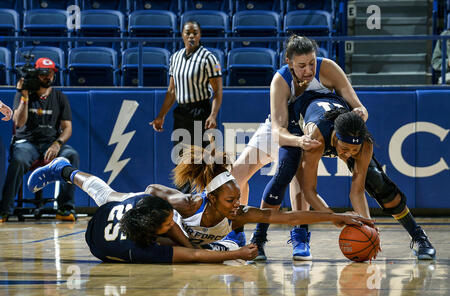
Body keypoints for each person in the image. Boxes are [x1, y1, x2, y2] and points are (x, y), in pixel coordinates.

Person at [234, 35, 368, 261]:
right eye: (302, 65)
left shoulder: (330, 69)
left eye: (312, 63)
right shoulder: (280, 80)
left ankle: (299, 236)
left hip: (311, 128)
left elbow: (359, 106)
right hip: (284, 129)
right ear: (289, 63)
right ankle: (236, 231)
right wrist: (299, 141)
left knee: (297, 180)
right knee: (236, 175)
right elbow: (277, 131)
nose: (308, 70)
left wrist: (361, 113)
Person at [143, 144, 375, 252]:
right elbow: (151, 189)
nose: (237, 205)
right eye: (230, 200)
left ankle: (229, 241)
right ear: (211, 198)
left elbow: (290, 218)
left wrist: (337, 216)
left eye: (237, 199)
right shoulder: (188, 205)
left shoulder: (239, 214)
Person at [27, 157, 259, 263]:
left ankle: (63, 170)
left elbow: (186, 245)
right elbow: (193, 255)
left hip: (119, 216)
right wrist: (232, 253)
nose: (173, 224)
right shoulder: (142, 250)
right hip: (109, 231)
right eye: (169, 224)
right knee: (106, 195)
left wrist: (193, 246)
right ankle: (63, 169)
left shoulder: (153, 214)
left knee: (106, 195)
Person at [290, 90, 436, 260]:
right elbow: (310, 191)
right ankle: (285, 236)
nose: (348, 155)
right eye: (344, 149)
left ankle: (418, 235)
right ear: (336, 138)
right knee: (292, 175)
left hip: (335, 108)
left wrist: (369, 228)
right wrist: (335, 217)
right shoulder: (316, 139)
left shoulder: (364, 141)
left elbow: (357, 191)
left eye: (354, 150)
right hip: (297, 118)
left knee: (378, 182)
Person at [0, 57, 80, 223]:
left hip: (50, 143)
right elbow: (19, 122)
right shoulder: (23, 94)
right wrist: (24, 97)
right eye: (44, 73)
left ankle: (65, 207)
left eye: (50, 73)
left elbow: (67, 128)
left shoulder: (59, 97)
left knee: (71, 154)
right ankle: (5, 210)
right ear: (36, 74)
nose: (47, 77)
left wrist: (57, 144)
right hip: (26, 143)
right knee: (18, 159)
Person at [150, 20, 223, 193]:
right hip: (181, 112)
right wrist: (161, 116)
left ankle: (208, 196)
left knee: (202, 157)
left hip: (201, 111)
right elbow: (171, 91)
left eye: (195, 33)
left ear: (200, 35)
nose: (191, 36)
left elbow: (218, 91)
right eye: (188, 32)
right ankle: (184, 198)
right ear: (182, 35)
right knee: (181, 157)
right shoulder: (175, 57)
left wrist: (212, 115)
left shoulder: (208, 58)